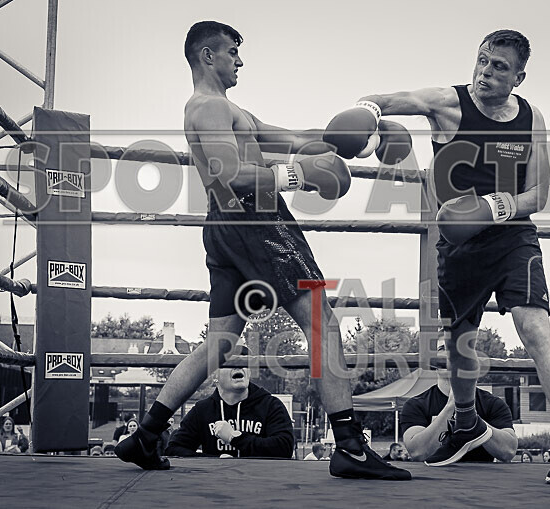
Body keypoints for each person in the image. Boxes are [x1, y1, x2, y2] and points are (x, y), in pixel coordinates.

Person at [114, 20, 410, 481]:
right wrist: (296, 174)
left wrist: (360, 139)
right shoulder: (208, 108)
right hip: (256, 221)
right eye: (232, 51)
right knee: (323, 325)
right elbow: (231, 174)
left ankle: (146, 435)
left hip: (229, 229)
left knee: (219, 343)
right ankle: (350, 446)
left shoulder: (232, 112)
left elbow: (293, 138)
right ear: (207, 56)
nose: (240, 59)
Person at [356, 29, 550, 485]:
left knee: (534, 326)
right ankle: (464, 420)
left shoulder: (531, 119)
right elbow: (380, 99)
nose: (485, 72)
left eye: (498, 66)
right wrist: (365, 124)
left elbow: (538, 194)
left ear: (518, 77)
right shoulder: (447, 103)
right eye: (482, 60)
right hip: (458, 245)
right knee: (460, 344)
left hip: (511, 238)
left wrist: (495, 206)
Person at [400, 348, 517, 464]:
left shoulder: (493, 403)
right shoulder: (416, 404)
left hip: (481, 480)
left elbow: (508, 452)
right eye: (442, 348)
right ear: (433, 359)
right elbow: (417, 452)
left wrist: (470, 416)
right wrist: (452, 405)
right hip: (433, 479)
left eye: (455, 348)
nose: (449, 353)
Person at [164, 356, 294, 458]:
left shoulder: (271, 405)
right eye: (230, 360)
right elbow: (174, 449)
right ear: (215, 375)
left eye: (244, 360)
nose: (239, 365)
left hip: (259, 485)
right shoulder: (202, 410)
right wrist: (215, 461)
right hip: (215, 486)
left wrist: (234, 437)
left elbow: (285, 448)